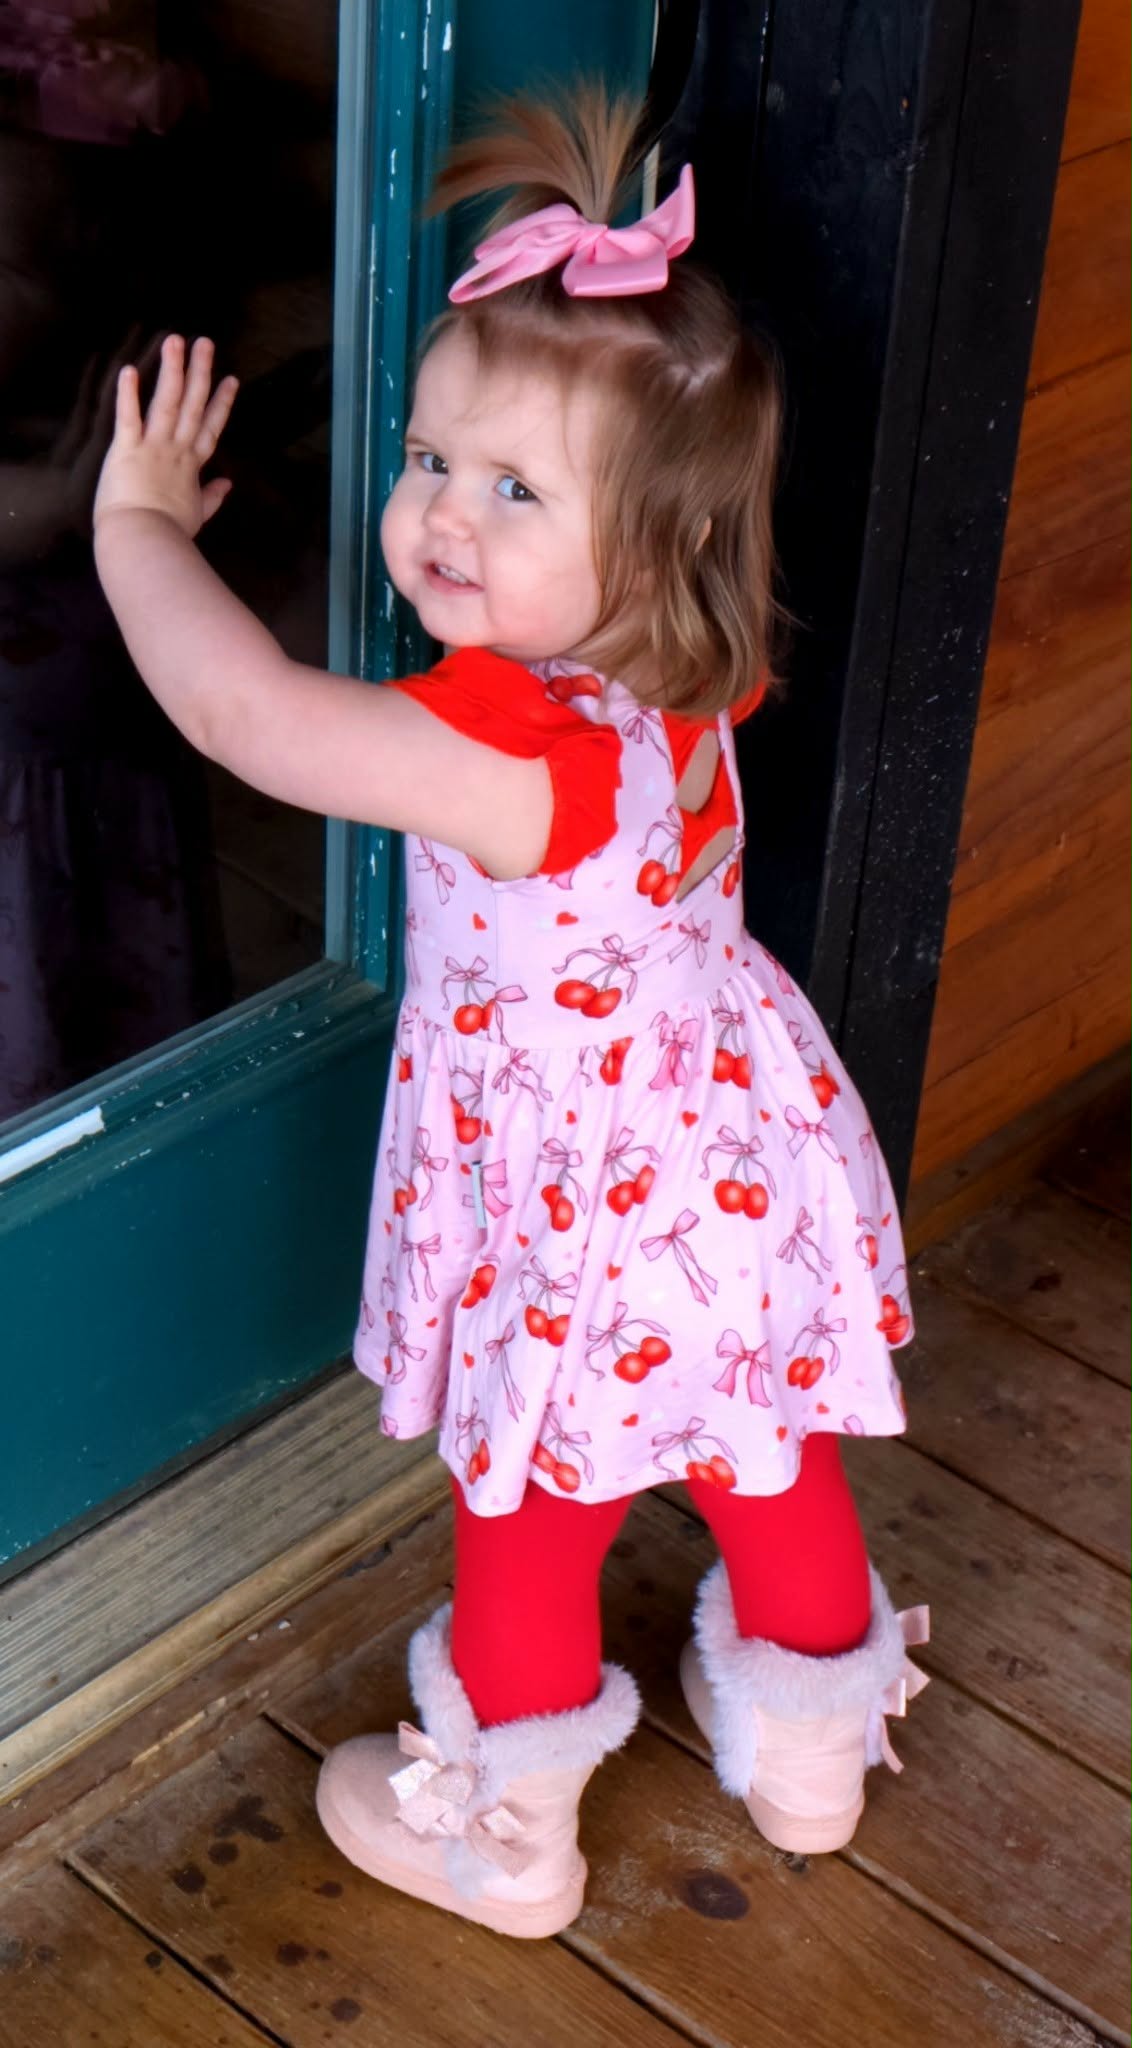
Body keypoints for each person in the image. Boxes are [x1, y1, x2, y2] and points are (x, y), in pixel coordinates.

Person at [93, 86, 928, 1943]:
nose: (441, 516)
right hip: (727, 1158)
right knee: (766, 1450)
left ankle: (507, 1835)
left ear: (647, 548)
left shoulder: (508, 742)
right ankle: (808, 1758)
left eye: (514, 487)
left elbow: (251, 720)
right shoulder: (687, 675)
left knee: (529, 1510)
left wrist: (137, 531)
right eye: (429, 457)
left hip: (575, 1203)